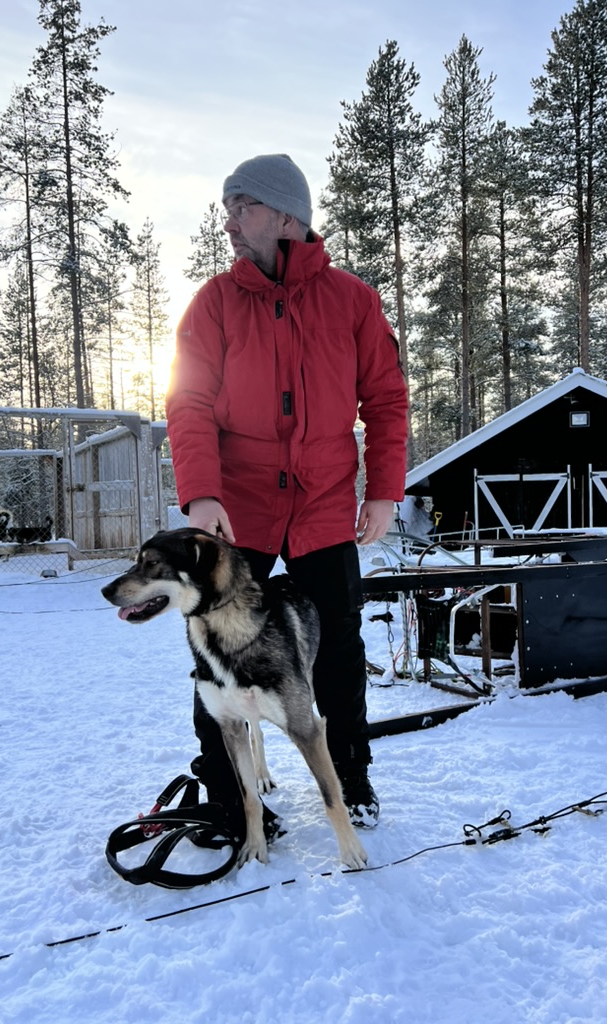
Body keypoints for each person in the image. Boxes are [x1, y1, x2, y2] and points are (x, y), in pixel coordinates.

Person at [165, 153, 409, 838]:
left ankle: (352, 778)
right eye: (228, 208)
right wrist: (200, 494)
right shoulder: (214, 303)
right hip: (236, 508)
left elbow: (387, 400)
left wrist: (384, 491)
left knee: (335, 651)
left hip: (326, 505)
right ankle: (226, 793)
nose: (229, 223)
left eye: (240, 206)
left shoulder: (352, 301)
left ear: (283, 215)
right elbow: (187, 404)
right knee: (220, 655)